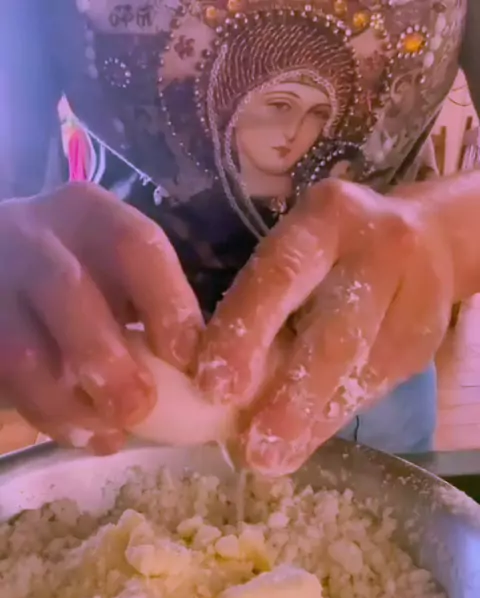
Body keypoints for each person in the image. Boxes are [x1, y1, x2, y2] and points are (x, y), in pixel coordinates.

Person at [0, 0, 480, 475]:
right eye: (280, 105)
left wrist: (443, 237)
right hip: (123, 374)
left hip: (367, 367)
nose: (293, 131)